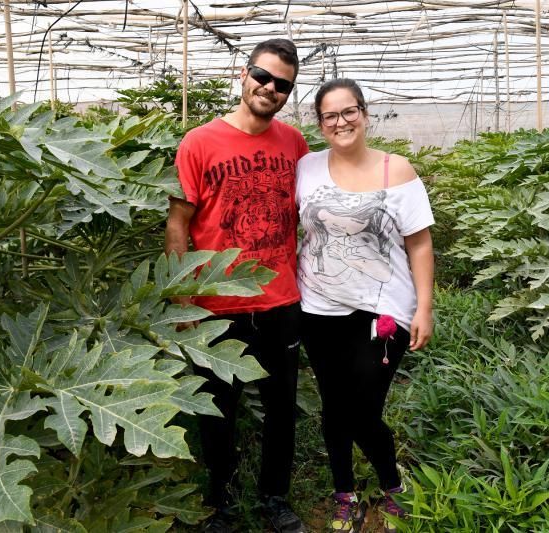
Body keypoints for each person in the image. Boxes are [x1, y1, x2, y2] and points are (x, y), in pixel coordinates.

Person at [165, 38, 309, 533]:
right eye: (263, 76)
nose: (270, 88)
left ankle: (275, 498)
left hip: (281, 299)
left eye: (283, 84)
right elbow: (179, 222)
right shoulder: (199, 142)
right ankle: (221, 501)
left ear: (290, 93)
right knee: (217, 409)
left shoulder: (294, 143)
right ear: (242, 74)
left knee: (280, 407)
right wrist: (181, 296)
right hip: (217, 302)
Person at [296, 78, 434, 533]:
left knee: (363, 409)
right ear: (320, 124)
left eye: (349, 111)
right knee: (334, 407)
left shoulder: (398, 170)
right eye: (330, 115)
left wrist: (424, 308)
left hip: (383, 312)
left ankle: (392, 486)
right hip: (317, 307)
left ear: (364, 113)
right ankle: (345, 494)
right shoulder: (307, 168)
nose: (341, 121)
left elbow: (420, 244)